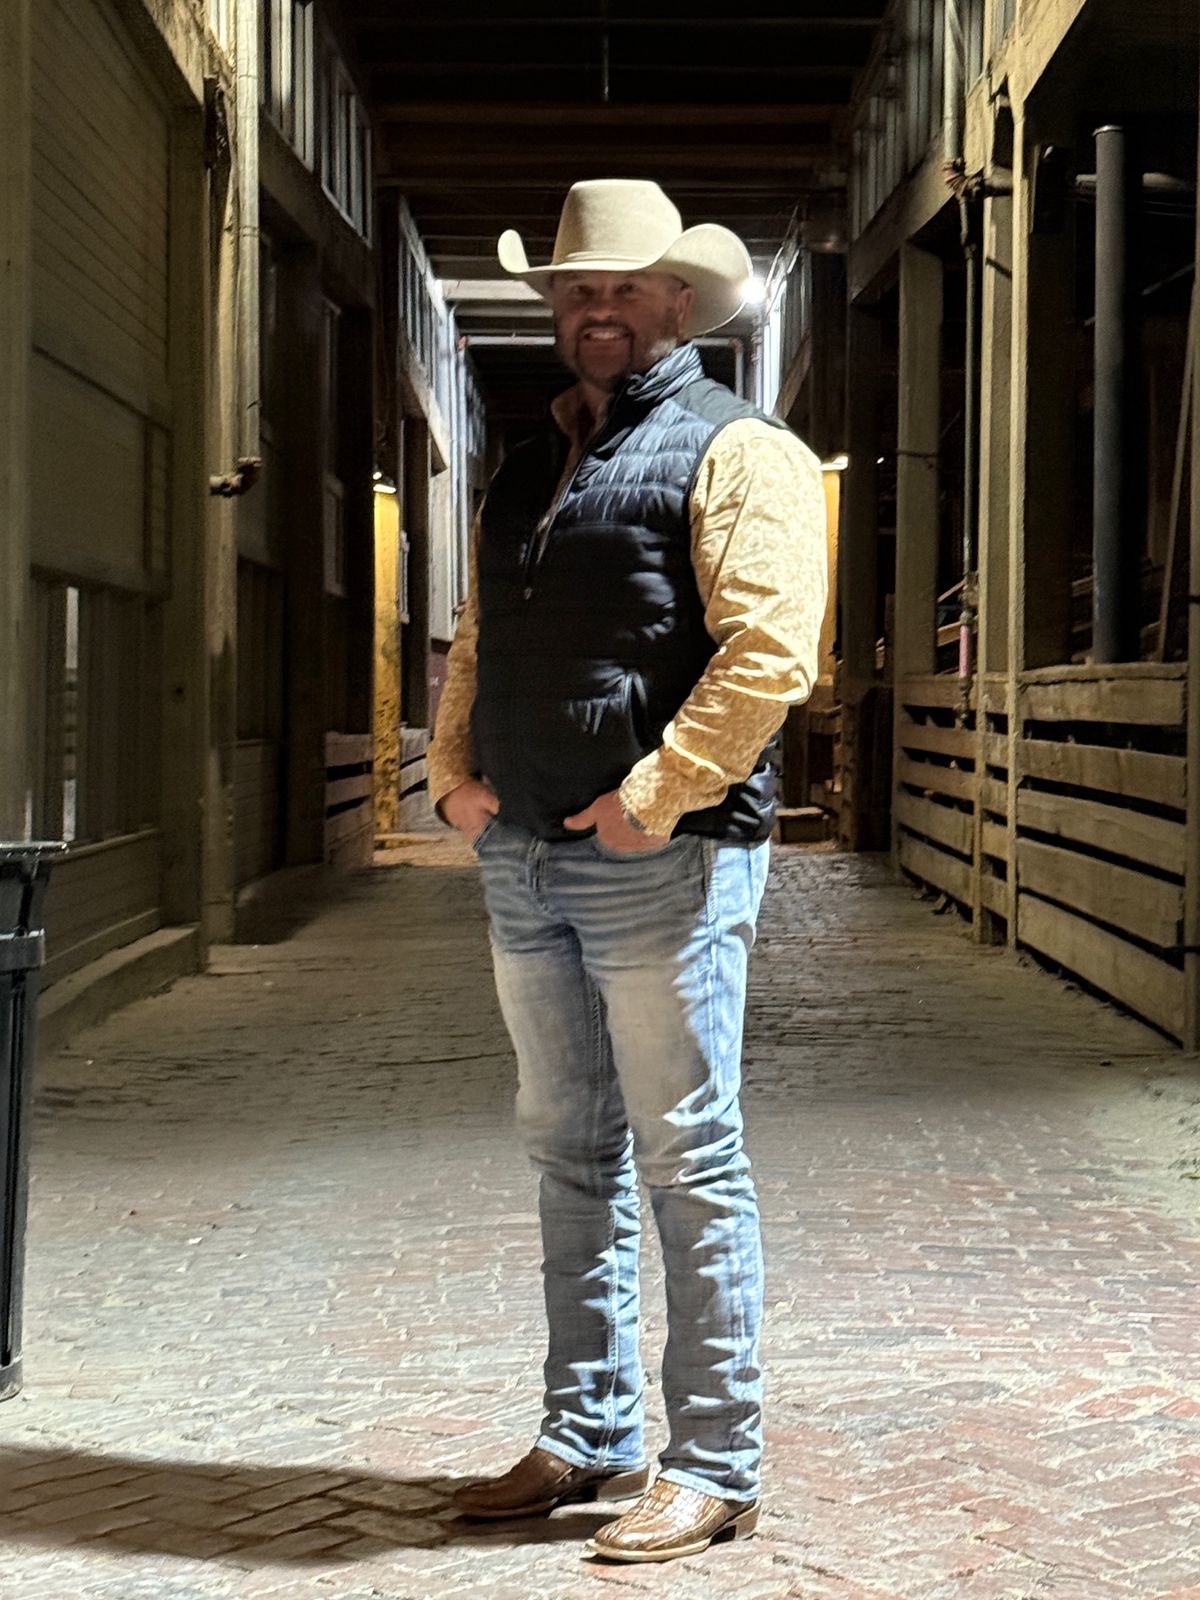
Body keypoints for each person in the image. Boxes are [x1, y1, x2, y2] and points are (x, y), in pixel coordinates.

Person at [427, 178, 827, 1564]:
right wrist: (452, 778)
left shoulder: (741, 448)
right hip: (525, 855)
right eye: (576, 289)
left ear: (679, 301)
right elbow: (481, 630)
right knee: (566, 1150)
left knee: (687, 1154)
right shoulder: (530, 464)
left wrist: (654, 800)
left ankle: (714, 1461)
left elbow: (771, 650)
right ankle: (586, 1429)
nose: (597, 308)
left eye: (623, 288)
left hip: (663, 862)